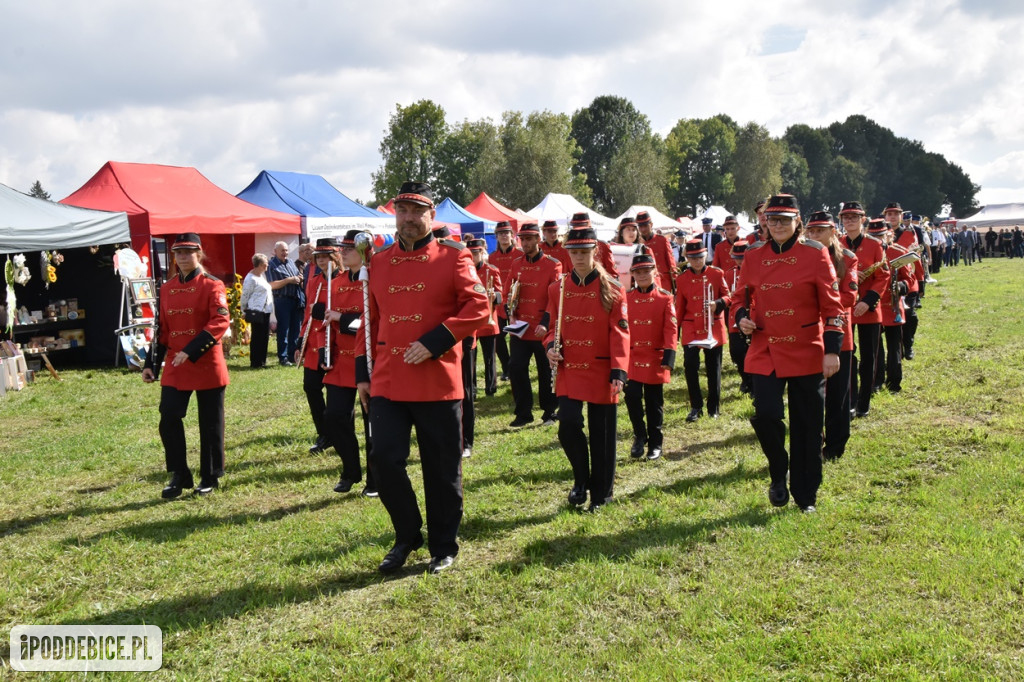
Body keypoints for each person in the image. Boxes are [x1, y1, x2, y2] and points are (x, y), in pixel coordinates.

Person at [356, 182, 489, 575]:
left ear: (431, 215)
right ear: (394, 214)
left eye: (417, 211)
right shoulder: (378, 261)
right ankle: (408, 534)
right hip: (389, 381)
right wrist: (363, 373)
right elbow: (370, 318)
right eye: (403, 211)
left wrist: (436, 341)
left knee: (441, 467)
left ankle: (444, 544)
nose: (410, 219)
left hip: (437, 379)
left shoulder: (453, 256)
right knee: (383, 461)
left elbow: (479, 306)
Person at [733, 195, 844, 513]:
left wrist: (832, 351)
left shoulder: (816, 252)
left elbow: (833, 307)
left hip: (807, 348)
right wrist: (741, 316)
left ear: (798, 222)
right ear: (764, 222)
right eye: (772, 219)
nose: (778, 225)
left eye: (784, 219)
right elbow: (739, 295)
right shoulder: (754, 255)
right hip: (765, 347)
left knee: (808, 425)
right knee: (766, 414)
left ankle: (806, 494)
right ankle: (778, 469)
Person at [544, 224, 630, 512]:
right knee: (568, 425)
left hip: (602, 370)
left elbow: (621, 331)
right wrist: (549, 347)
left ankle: (601, 494)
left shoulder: (614, 288)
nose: (579, 257)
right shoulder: (557, 288)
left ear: (595, 252)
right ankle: (581, 481)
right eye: (574, 252)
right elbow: (551, 328)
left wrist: (619, 369)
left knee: (602, 434)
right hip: (569, 369)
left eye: (584, 252)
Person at [142, 233, 230, 498]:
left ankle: (210, 475)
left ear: (198, 254)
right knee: (168, 417)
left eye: (187, 252)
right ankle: (179, 474)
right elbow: (163, 330)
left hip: (205, 362)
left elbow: (219, 322)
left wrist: (190, 351)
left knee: (210, 423)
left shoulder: (212, 285)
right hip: (175, 365)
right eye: (177, 253)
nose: (181, 258)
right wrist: (151, 363)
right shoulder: (167, 288)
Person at [322, 231, 376, 496]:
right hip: (341, 361)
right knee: (334, 418)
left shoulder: (374, 279)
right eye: (342, 247)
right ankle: (351, 470)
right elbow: (327, 324)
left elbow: (370, 324)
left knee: (372, 424)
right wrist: (324, 353)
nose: (342, 252)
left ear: (364, 251)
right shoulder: (337, 281)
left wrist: (341, 318)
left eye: (349, 248)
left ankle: (375, 479)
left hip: (368, 358)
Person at [804, 212, 858, 461]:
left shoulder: (847, 258)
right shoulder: (803, 257)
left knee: (837, 396)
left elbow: (849, 296)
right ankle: (814, 441)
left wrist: (820, 302)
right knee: (812, 396)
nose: (814, 236)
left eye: (819, 231)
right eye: (811, 231)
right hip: (809, 334)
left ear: (832, 231)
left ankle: (835, 446)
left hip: (838, 333)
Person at [505, 222, 563, 427]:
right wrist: (510, 315)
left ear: (538, 240)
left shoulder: (552, 264)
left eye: (530, 239)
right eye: (523, 239)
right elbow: (508, 293)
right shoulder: (516, 263)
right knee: (515, 367)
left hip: (541, 329)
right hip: (520, 328)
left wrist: (546, 323)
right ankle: (523, 413)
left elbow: (554, 298)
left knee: (545, 370)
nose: (526, 242)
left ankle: (550, 412)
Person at [624, 246, 677, 460]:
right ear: (633, 275)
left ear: (654, 272)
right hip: (632, 358)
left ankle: (656, 443)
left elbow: (671, 328)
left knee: (654, 403)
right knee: (632, 398)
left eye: (647, 271)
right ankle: (639, 436)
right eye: (638, 272)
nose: (643, 275)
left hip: (655, 357)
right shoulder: (625, 298)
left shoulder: (665, 298)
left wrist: (669, 355)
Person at [840, 201, 887, 418]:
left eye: (854, 217)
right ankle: (849, 400)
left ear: (863, 219)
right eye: (845, 217)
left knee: (869, 358)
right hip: (845, 308)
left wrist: (867, 301)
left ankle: (863, 402)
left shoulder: (875, 244)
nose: (849, 221)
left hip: (867, 308)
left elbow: (883, 275)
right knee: (847, 356)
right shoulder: (837, 244)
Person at [675, 238, 730, 421]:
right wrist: (675, 331)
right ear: (687, 259)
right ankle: (696, 407)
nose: (697, 261)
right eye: (692, 258)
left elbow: (728, 296)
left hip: (712, 324)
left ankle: (713, 407)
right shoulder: (681, 279)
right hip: (691, 326)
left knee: (713, 368)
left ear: (705, 255)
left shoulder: (716, 273)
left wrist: (718, 303)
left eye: (699, 257)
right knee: (690, 366)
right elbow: (680, 307)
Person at [462, 238, 503, 457]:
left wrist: (492, 296)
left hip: (489, 321)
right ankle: (475, 388)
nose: (474, 256)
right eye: (472, 252)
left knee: (489, 358)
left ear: (481, 253)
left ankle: (491, 385)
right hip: (473, 325)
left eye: (477, 252)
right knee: (472, 360)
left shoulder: (491, 270)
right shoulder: (466, 269)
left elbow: (499, 293)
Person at [870, 220, 915, 394]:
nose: (877, 240)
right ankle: (877, 381)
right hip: (874, 306)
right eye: (873, 236)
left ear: (889, 234)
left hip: (893, 306)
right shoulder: (866, 252)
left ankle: (894, 382)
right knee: (876, 348)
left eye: (881, 236)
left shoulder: (899, 252)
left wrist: (902, 286)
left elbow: (909, 278)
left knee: (894, 347)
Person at [488, 221, 522, 381]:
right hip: (499, 304)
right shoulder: (492, 257)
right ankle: (506, 367)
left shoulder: (519, 255)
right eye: (500, 233)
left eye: (506, 233)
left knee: (516, 337)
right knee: (498, 337)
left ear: (512, 235)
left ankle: (517, 366)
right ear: (496, 236)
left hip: (517, 302)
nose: (504, 236)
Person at [267, 241, 304, 366]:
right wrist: (288, 280)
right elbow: (271, 285)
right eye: (282, 250)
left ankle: (292, 356)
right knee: (284, 330)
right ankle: (282, 357)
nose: (285, 253)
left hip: (295, 299)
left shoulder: (291, 263)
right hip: (282, 300)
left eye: (287, 250)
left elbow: (296, 277)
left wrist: (299, 278)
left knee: (295, 329)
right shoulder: (271, 265)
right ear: (275, 251)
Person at [240, 253, 274, 369]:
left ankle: (262, 361)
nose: (267, 265)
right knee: (257, 337)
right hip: (256, 310)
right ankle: (255, 362)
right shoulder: (251, 278)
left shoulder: (261, 276)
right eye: (265, 264)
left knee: (264, 337)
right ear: (260, 265)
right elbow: (245, 295)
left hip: (265, 310)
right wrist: (243, 311)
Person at [726, 241, 752, 394]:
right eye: (737, 258)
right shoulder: (729, 273)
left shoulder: (756, 271)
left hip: (752, 315)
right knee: (736, 352)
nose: (740, 261)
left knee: (751, 351)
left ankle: (754, 383)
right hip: (734, 316)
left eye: (742, 257)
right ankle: (745, 379)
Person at [636, 211, 677, 292]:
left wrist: (675, 282)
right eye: (640, 227)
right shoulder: (637, 243)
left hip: (663, 281)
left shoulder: (662, 240)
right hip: (645, 283)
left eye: (645, 226)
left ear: (651, 224)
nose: (643, 229)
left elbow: (671, 262)